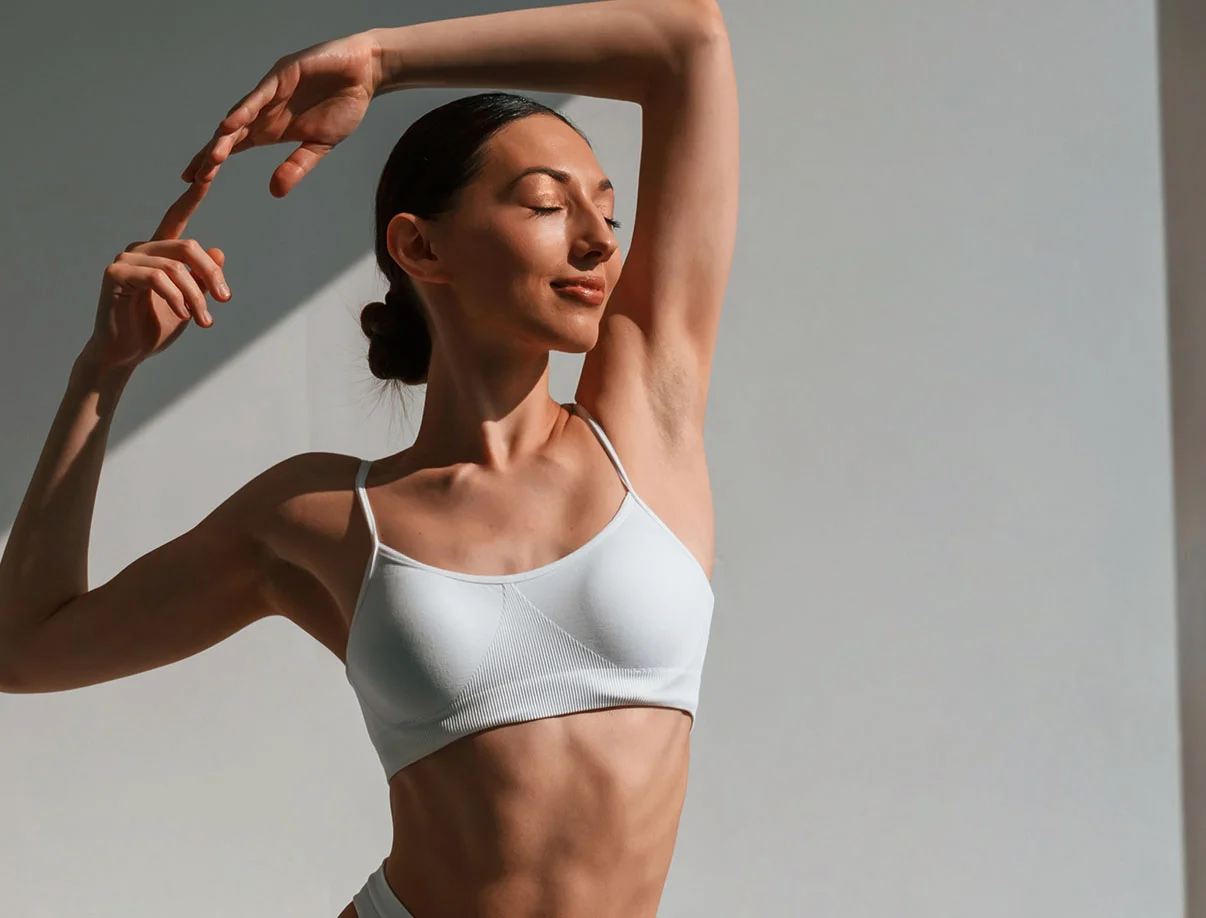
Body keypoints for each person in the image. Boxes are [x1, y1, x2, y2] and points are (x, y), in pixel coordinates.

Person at [0, 1, 739, 914]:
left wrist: (380, 59)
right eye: (548, 204)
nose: (596, 240)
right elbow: (25, 648)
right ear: (419, 246)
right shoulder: (321, 515)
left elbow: (687, 40)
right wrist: (100, 375)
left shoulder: (643, 420)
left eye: (607, 213)